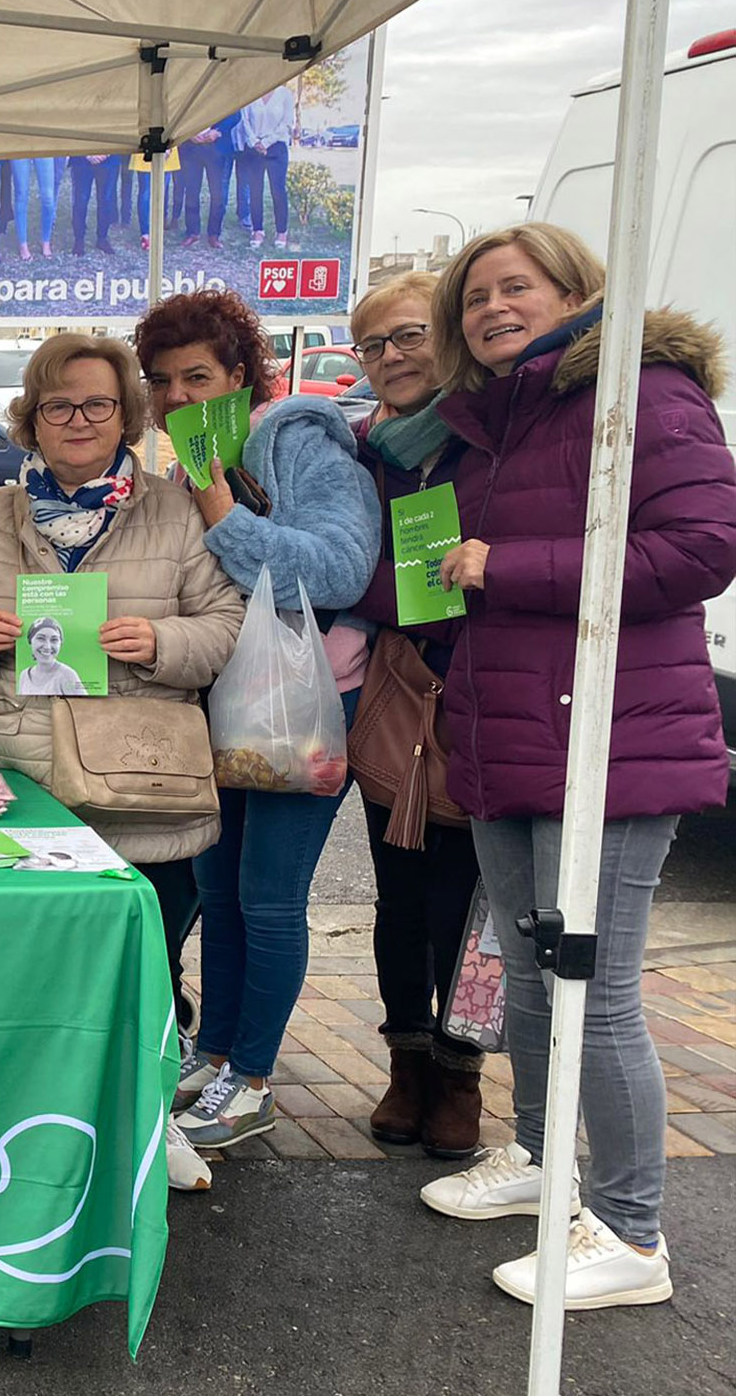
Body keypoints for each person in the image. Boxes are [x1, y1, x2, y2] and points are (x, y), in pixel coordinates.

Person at [415, 224, 736, 1309]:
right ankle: (542, 1162)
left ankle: (634, 1233)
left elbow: (699, 551)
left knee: (593, 992)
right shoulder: (484, 423)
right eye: (472, 298)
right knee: (522, 969)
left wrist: (509, 566)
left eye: (516, 287)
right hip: (508, 733)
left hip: (613, 736)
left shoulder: (641, 392)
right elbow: (443, 575)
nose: (491, 308)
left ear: (574, 290)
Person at [0, 331, 244, 1193]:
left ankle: (151, 1116)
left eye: (98, 403)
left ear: (126, 416)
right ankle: (30, 1120)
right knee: (28, 962)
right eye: (58, 404)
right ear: (30, 416)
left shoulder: (173, 512)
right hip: (18, 778)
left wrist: (162, 639)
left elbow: (226, 625)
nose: (78, 419)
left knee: (148, 959)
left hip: (140, 777)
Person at [136, 289, 381, 1156]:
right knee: (221, 890)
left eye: (198, 376)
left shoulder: (302, 444)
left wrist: (218, 512)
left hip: (303, 707)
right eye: (163, 380)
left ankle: (256, 1077)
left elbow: (343, 568)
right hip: (216, 704)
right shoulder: (178, 461)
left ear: (242, 377)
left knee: (271, 897)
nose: (179, 397)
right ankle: (217, 1053)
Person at [334, 273, 488, 1158]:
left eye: (407, 337)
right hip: (396, 700)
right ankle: (407, 1061)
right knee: (398, 895)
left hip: (477, 701)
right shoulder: (366, 450)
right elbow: (348, 562)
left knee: (468, 906)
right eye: (373, 345)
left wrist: (378, 588)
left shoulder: (487, 443)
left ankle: (463, 1072)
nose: (390, 358)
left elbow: (375, 579)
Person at [236, 86, 295, 249]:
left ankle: (281, 231)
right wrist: (255, 142)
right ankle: (257, 230)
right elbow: (245, 122)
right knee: (255, 191)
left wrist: (267, 142)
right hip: (254, 148)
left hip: (276, 147)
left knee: (278, 191)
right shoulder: (251, 92)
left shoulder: (285, 94)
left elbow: (286, 123)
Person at [177, 112, 243, 249]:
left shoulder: (225, 91)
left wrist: (218, 132)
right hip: (190, 147)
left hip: (217, 147)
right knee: (191, 192)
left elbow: (236, 113)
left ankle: (214, 234)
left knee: (218, 194)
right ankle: (192, 232)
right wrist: (189, 133)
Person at [17, 616, 87, 695]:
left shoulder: (67, 675)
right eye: (41, 638)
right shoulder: (24, 675)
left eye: (54, 640)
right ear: (30, 641)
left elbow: (84, 705)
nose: (47, 646)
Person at [67, 154, 120, 256]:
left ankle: (102, 238)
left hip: (109, 159)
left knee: (106, 200)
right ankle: (79, 240)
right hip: (81, 159)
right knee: (81, 200)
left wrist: (106, 153)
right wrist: (87, 154)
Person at [8, 158, 58, 260]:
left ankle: (46, 241)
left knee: (48, 197)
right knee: (21, 194)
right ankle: (23, 244)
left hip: (43, 146)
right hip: (20, 146)